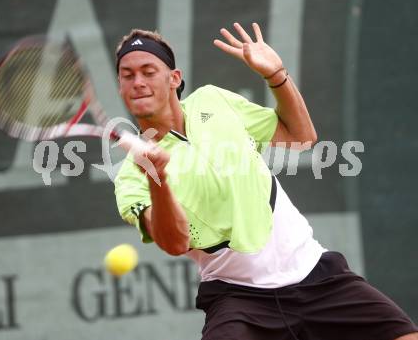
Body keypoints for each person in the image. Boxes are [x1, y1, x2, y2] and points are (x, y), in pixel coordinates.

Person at [114, 22, 418, 340]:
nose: (138, 82)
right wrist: (158, 177)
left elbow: (301, 136)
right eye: (128, 75)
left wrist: (276, 76)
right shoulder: (130, 178)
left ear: (174, 78)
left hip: (315, 275)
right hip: (239, 300)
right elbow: (175, 243)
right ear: (120, 86)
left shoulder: (213, 101)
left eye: (148, 71)